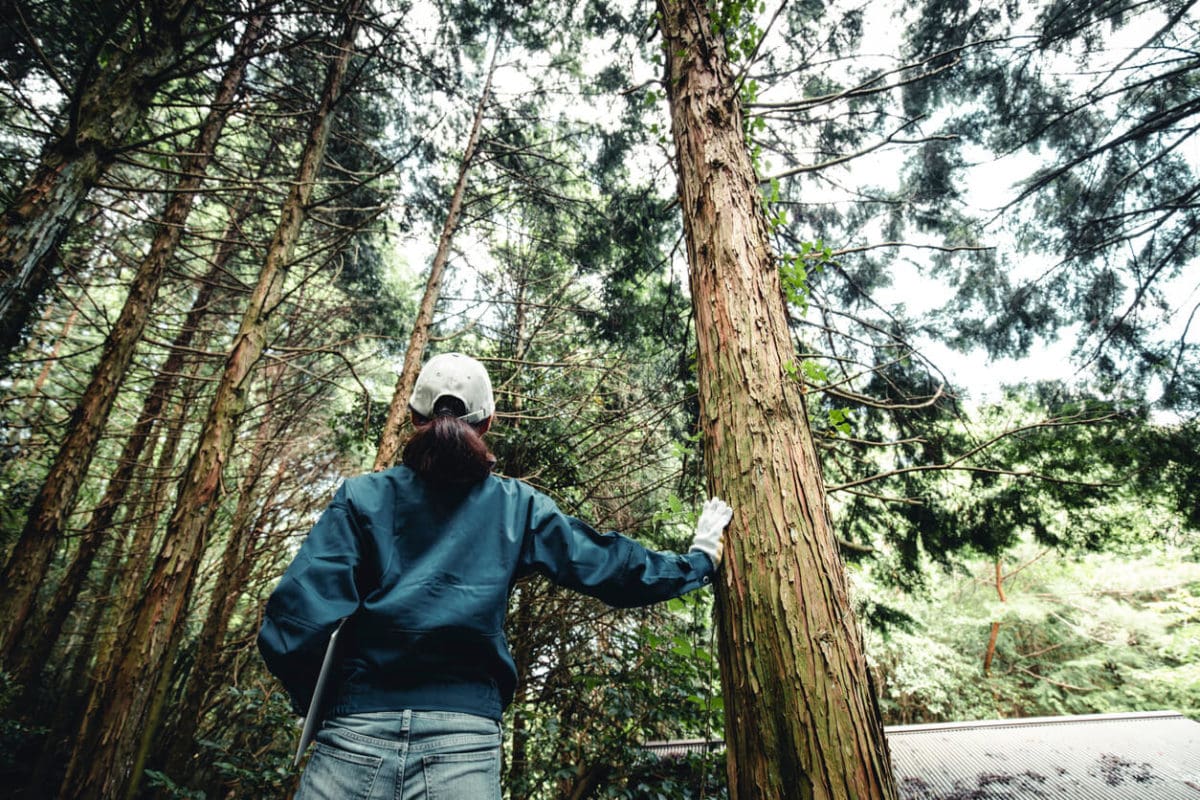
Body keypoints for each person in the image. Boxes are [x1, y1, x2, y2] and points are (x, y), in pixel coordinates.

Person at [258, 352, 733, 800]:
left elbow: (294, 620)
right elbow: (605, 566)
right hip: (463, 740)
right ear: (487, 424)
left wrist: (330, 706)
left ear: (413, 417)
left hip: (354, 734)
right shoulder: (517, 507)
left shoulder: (362, 497)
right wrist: (697, 562)